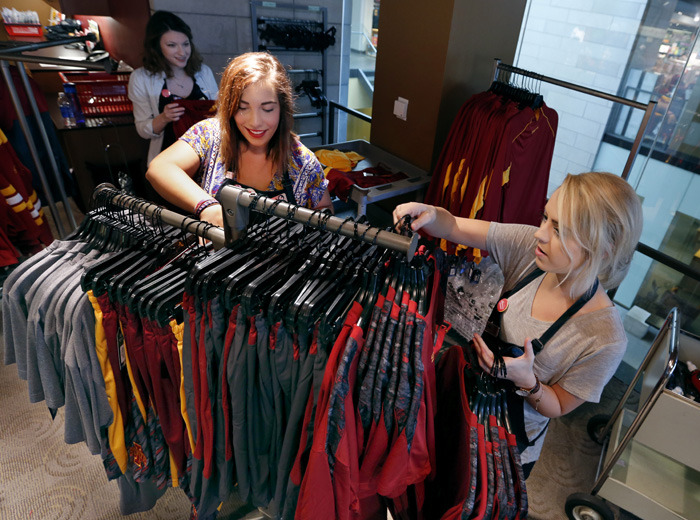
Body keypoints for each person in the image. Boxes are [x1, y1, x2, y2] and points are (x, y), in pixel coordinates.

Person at [393, 171, 643, 477]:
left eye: (560, 231)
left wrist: (528, 381)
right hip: (461, 408)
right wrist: (430, 215)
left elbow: (560, 405)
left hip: (504, 446)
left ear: (602, 251)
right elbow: (455, 225)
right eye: (546, 217)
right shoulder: (529, 249)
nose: (541, 234)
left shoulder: (605, 338)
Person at [146, 52, 332, 227]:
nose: (255, 122)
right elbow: (159, 168)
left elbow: (324, 208)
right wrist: (207, 207)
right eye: (243, 108)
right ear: (230, 107)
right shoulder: (210, 135)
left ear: (283, 109)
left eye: (267, 109)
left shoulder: (302, 161)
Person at [128, 10, 219, 166]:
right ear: (157, 47)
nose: (182, 52)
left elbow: (219, 113)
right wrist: (164, 118)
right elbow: (143, 130)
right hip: (168, 161)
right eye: (172, 45)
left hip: (207, 158)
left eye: (185, 44)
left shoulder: (203, 72)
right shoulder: (141, 78)